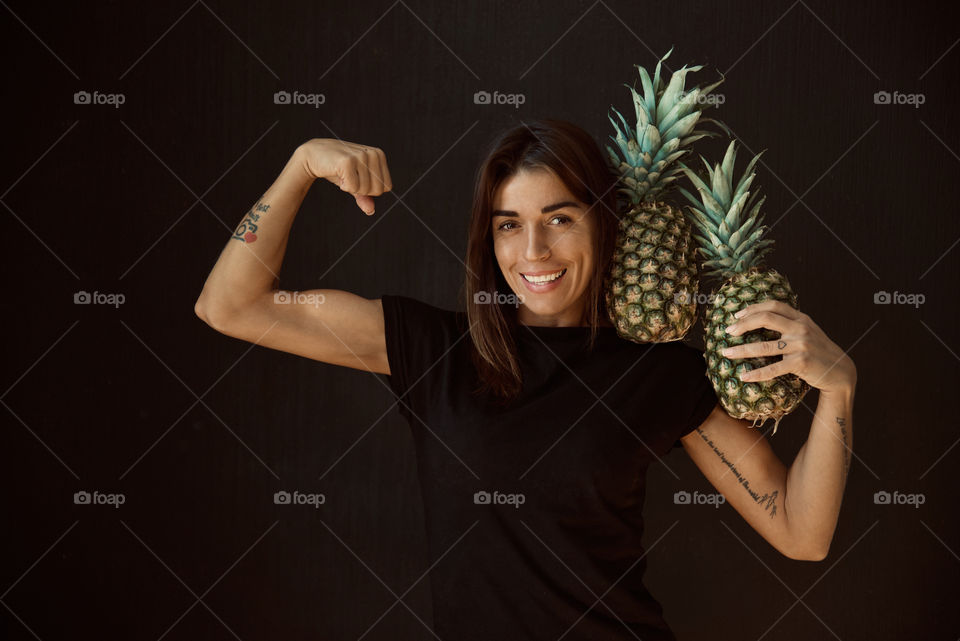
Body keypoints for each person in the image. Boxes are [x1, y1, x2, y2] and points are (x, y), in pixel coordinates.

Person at [195, 119, 857, 640]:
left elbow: (802, 531)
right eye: (509, 225)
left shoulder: (657, 373)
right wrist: (302, 163)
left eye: (559, 218)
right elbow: (229, 305)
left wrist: (839, 388)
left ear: (605, 220)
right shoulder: (434, 350)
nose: (533, 252)